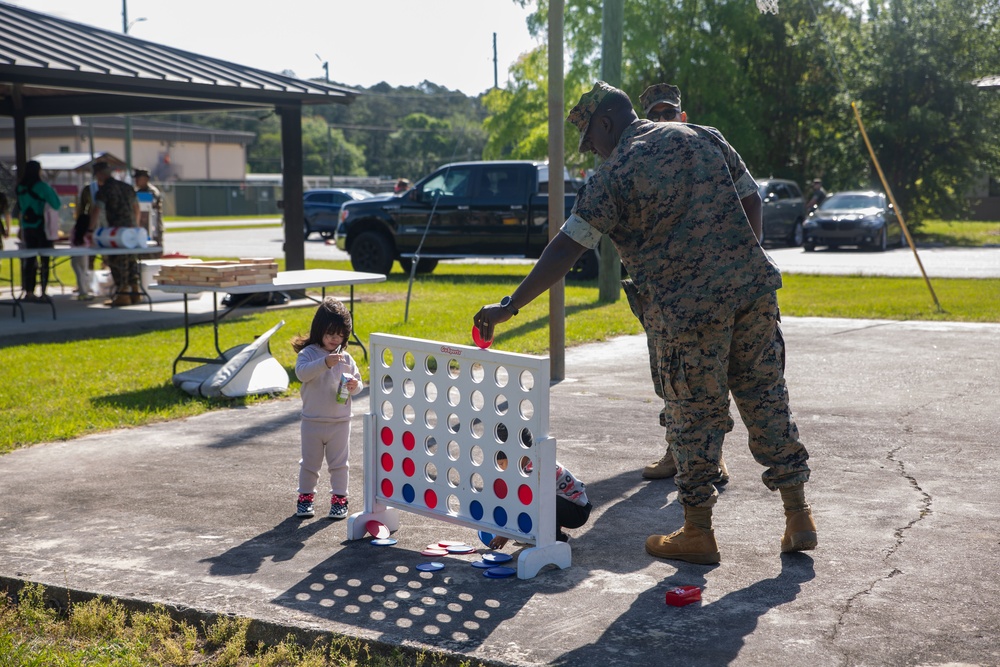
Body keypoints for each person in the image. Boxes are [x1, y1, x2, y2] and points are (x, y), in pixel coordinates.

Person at [473, 81, 816, 565]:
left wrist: (509, 307)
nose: (589, 148)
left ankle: (698, 531)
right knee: (766, 398)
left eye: (589, 136)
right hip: (753, 293)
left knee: (693, 415)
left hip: (688, 312)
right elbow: (751, 197)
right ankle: (798, 515)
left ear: (606, 123)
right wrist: (742, 258)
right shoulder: (704, 136)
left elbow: (567, 249)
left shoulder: (615, 173)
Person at [633, 83, 732, 484]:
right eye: (654, 115)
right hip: (658, 291)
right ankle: (675, 451)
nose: (662, 121)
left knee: (710, 375)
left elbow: (743, 202)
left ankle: (712, 457)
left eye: (668, 113)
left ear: (683, 117)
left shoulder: (705, 149)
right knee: (665, 373)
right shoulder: (637, 160)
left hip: (705, 288)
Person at [291, 298, 363, 521]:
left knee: (340, 465)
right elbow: (302, 374)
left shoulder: (346, 358)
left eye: (340, 334)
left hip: (340, 422)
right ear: (319, 330)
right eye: (330, 332)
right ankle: (305, 498)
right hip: (312, 421)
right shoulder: (309, 354)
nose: (335, 338)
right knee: (310, 464)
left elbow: (358, 383)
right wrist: (325, 363)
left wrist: (354, 386)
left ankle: (340, 500)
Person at [489, 453, 592, 548]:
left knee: (541, 502)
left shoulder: (532, 470)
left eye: (502, 463)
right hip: (564, 505)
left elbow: (526, 504)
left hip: (578, 512)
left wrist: (507, 533)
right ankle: (534, 534)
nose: (501, 468)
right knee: (536, 502)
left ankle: (556, 540)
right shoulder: (527, 463)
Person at [90, 162, 140, 307]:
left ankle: (123, 294)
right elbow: (136, 208)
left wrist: (90, 229)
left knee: (117, 262)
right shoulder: (127, 187)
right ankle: (135, 292)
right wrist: (135, 227)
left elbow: (97, 210)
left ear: (100, 174)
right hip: (131, 230)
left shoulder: (104, 189)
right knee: (131, 261)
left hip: (116, 232)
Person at [15, 160, 61, 302]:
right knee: (45, 259)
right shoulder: (42, 187)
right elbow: (56, 204)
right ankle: (44, 291)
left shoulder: (20, 188)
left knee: (30, 259)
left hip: (27, 227)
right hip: (42, 227)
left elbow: (21, 208)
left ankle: (29, 291)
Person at [133, 168, 163, 250]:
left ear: (145, 179)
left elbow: (153, 207)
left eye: (138, 179)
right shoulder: (136, 192)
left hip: (153, 226)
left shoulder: (152, 192)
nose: (136, 181)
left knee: (154, 248)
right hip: (141, 225)